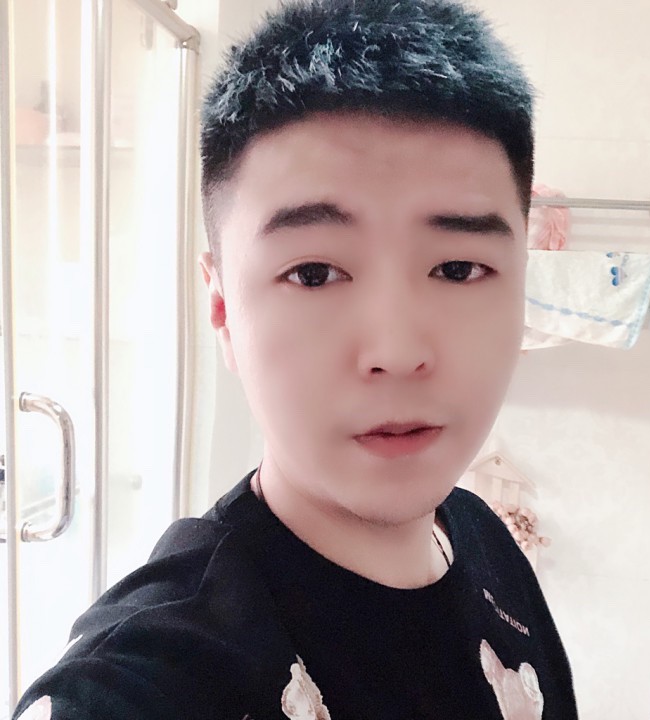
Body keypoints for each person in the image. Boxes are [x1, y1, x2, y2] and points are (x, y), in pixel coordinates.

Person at [13, 0, 578, 718]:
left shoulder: (482, 535)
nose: (397, 353)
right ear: (222, 306)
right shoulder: (150, 678)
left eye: (459, 268)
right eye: (314, 274)